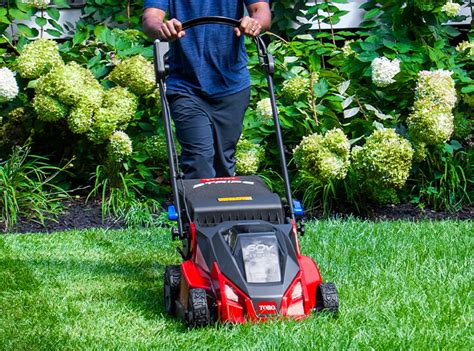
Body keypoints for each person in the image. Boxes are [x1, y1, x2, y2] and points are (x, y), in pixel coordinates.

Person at [143, 0, 271, 179]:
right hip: (186, 86)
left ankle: (222, 205)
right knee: (198, 161)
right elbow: (151, 18)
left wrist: (254, 22)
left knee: (224, 162)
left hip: (232, 85)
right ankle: (196, 204)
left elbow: (261, 10)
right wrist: (163, 28)